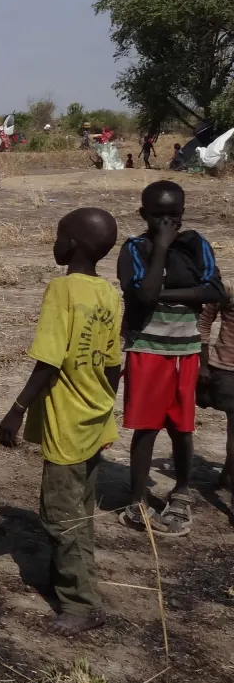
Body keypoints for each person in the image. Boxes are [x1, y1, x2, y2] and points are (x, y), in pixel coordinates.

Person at [0, 208, 122, 636]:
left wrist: (17, 409)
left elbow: (48, 361)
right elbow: (112, 364)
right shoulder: (108, 292)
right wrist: (103, 404)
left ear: (72, 245)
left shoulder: (62, 290)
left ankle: (81, 603)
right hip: (94, 417)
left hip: (67, 424)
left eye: (58, 235)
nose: (54, 242)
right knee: (81, 508)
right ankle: (70, 577)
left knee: (61, 514)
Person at [116, 180, 223, 536]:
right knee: (146, 426)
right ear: (143, 215)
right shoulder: (135, 248)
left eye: (173, 216)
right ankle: (136, 501)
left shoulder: (196, 245)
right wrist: (160, 249)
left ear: (182, 214)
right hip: (147, 348)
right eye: (158, 216)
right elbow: (143, 297)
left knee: (182, 426)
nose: (166, 223)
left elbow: (215, 290)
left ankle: (181, 490)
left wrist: (165, 291)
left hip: (186, 349)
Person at [198, 294, 234, 498]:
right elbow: (204, 321)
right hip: (228, 371)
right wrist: (203, 364)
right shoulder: (228, 288)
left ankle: (227, 477)